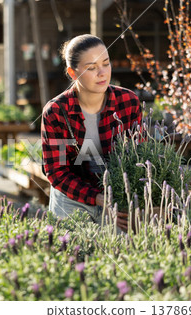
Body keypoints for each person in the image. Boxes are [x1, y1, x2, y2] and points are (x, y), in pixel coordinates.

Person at [41, 34, 142, 229]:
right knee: (71, 253)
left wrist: (124, 200)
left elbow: (139, 156)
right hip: (71, 198)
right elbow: (56, 172)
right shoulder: (56, 112)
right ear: (72, 73)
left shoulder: (128, 102)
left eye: (106, 63)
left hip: (115, 198)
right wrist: (95, 197)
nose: (102, 73)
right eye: (91, 68)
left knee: (119, 255)